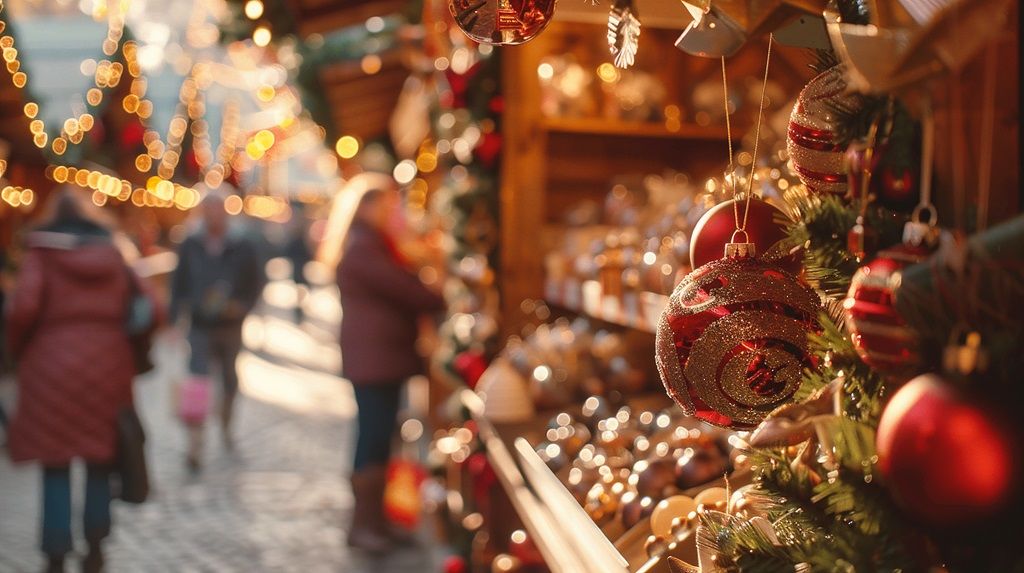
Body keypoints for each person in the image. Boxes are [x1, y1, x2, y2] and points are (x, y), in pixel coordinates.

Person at [4, 188, 155, 573]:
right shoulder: (114, 254)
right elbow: (146, 307)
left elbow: (22, 310)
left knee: (55, 461)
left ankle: (55, 551)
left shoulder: (41, 254)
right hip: (109, 364)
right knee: (100, 458)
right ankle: (95, 544)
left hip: (49, 365)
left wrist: (21, 350)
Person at [332, 173, 446, 553]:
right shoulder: (364, 248)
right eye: (386, 206)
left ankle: (379, 519)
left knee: (381, 438)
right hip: (374, 361)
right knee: (373, 438)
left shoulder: (373, 245)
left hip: (379, 359)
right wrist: (433, 287)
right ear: (365, 207)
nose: (391, 213)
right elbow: (407, 291)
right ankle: (363, 525)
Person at [169, 188, 265, 470]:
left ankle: (226, 425)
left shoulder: (242, 245)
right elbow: (179, 284)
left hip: (230, 325)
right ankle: (195, 443)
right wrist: (175, 320)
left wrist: (243, 307)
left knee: (228, 378)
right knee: (197, 380)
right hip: (199, 324)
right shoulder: (190, 244)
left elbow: (256, 282)